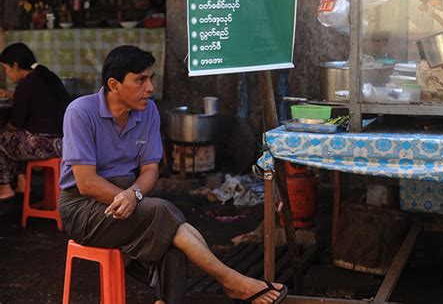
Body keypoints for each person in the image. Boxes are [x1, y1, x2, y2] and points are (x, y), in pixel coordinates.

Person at [58, 45, 288, 304]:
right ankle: (231, 280)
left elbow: (150, 170)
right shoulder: (80, 112)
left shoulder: (148, 112)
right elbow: (86, 183)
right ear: (114, 85)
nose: (150, 88)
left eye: (151, 79)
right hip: (82, 208)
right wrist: (131, 198)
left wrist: (133, 195)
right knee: (162, 213)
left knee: (173, 243)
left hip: (125, 196)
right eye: (140, 80)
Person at [0, 43, 71, 200]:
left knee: (3, 139)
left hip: (43, 144)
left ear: (16, 66)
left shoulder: (26, 84)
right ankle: (22, 182)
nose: (7, 73)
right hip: (64, 142)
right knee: (16, 139)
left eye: (6, 69)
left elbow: (16, 123)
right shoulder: (46, 77)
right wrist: (11, 95)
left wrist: (5, 127)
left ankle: (5, 187)